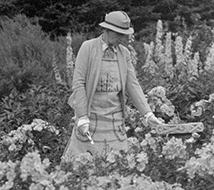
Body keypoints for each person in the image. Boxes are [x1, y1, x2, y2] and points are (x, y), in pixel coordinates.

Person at [62, 10, 161, 161]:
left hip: (115, 122)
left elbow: (132, 84)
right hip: (90, 118)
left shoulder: (124, 53)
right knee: (82, 168)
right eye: (119, 34)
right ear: (107, 31)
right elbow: (78, 83)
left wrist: (148, 114)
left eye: (124, 35)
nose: (122, 39)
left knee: (118, 167)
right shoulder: (88, 48)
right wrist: (82, 116)